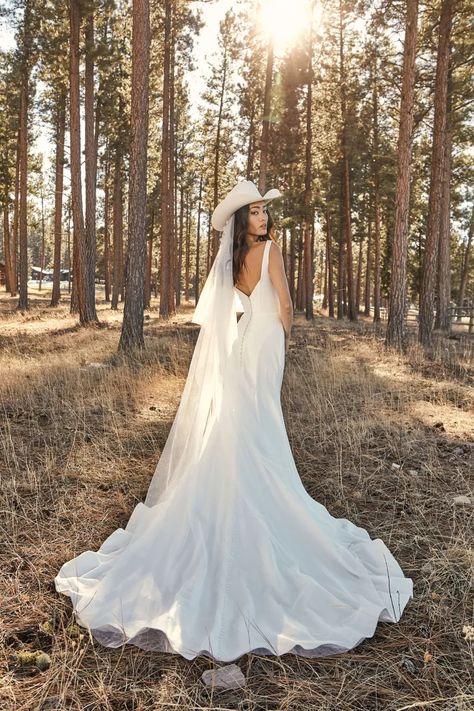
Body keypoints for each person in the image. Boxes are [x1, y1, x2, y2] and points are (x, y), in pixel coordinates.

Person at [55, 180, 413, 662]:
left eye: (266, 211)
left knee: (240, 423)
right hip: (264, 343)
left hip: (241, 344)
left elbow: (233, 305)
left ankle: (232, 492)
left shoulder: (232, 258)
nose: (265, 219)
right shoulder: (268, 249)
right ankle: (257, 500)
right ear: (246, 220)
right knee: (259, 424)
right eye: (258, 212)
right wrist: (286, 338)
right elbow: (284, 304)